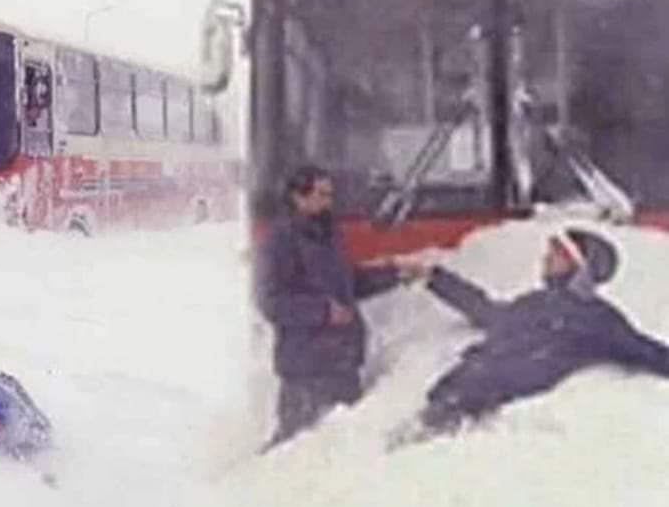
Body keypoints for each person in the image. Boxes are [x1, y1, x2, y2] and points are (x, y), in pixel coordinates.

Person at [410, 227, 669, 434]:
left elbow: (643, 350)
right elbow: (487, 311)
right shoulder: (535, 302)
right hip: (453, 395)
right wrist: (435, 278)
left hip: (485, 413)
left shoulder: (596, 318)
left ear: (577, 265)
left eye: (555, 254)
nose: (545, 258)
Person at [255, 164, 415, 450]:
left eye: (330, 194)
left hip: (342, 365)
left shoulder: (329, 235)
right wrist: (322, 313)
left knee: (340, 448)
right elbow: (271, 301)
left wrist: (394, 275)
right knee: (295, 450)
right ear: (298, 197)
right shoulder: (280, 240)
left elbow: (348, 285)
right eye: (321, 194)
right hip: (306, 370)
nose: (329, 201)